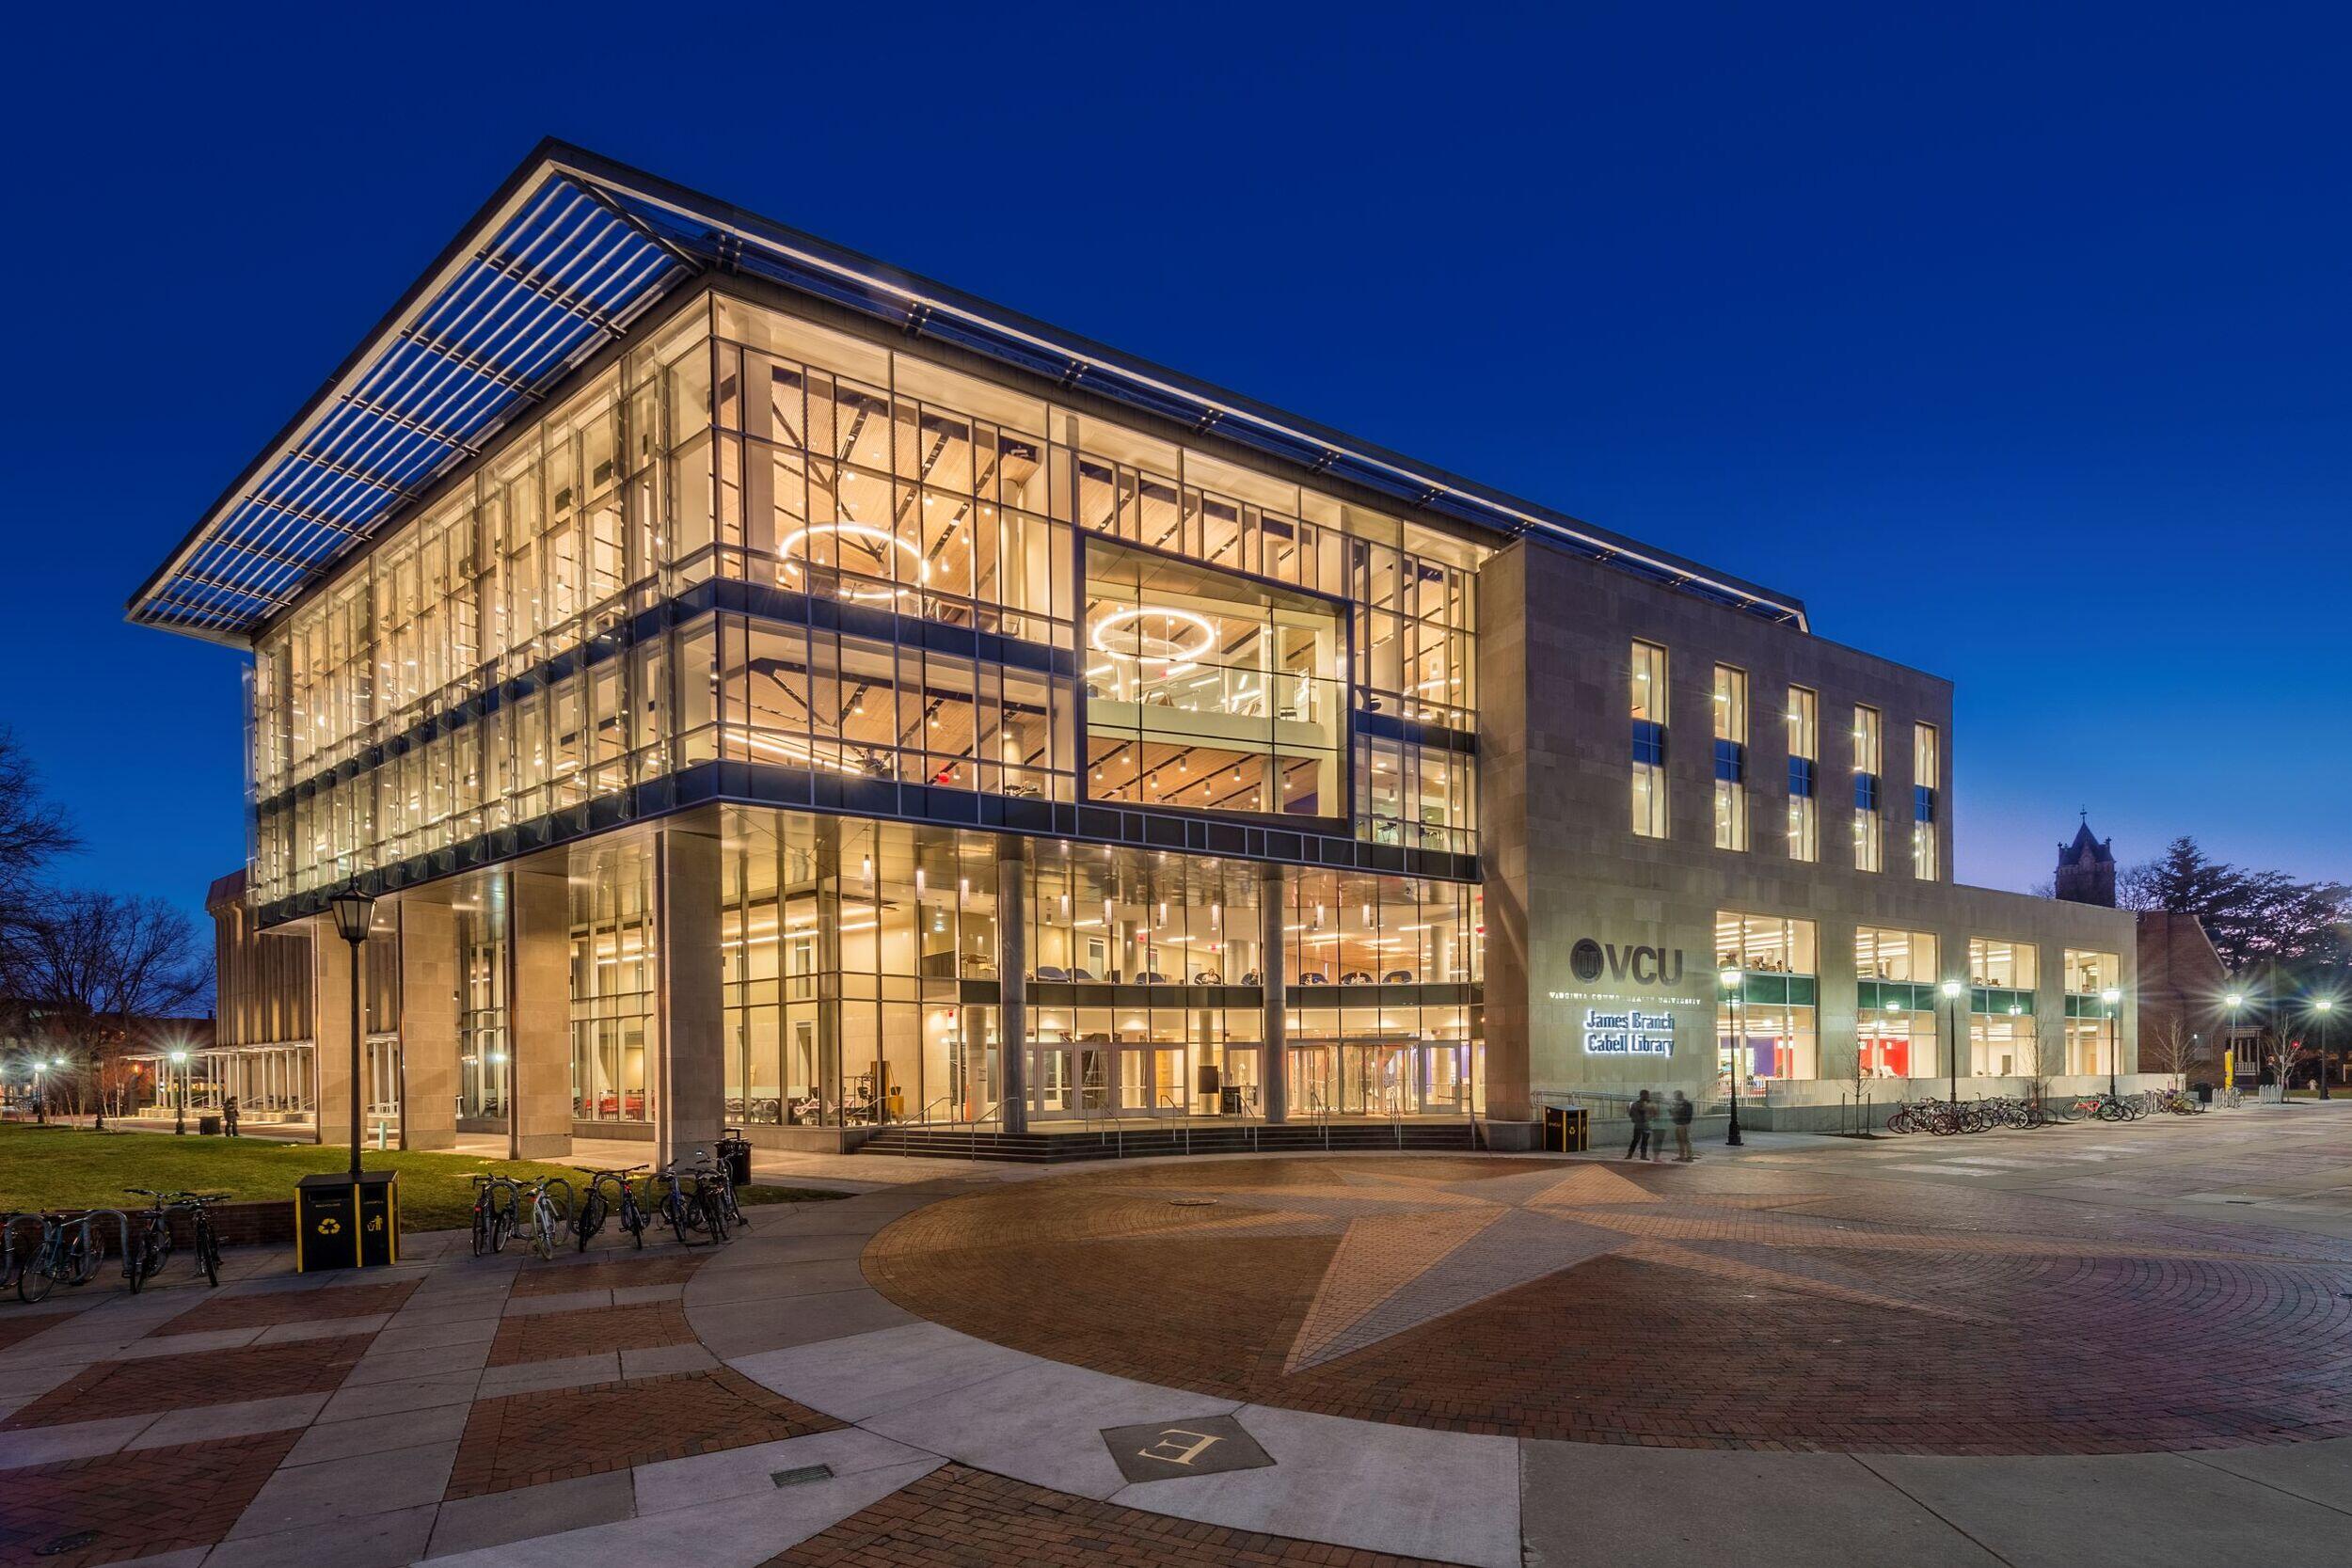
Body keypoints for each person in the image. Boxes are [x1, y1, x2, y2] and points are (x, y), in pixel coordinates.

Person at [1624, 1089, 1654, 1161]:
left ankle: (1642, 1155)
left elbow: (1653, 1113)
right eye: (1646, 1095)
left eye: (1648, 1095)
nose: (1647, 1097)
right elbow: (1632, 1114)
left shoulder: (1649, 1104)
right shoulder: (1636, 1104)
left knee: (1644, 1140)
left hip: (1646, 1124)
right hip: (1640, 1124)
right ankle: (1630, 1154)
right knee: (1636, 1139)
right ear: (1641, 1095)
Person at [1669, 1090, 1695, 1161]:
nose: (1674, 1097)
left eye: (1675, 1096)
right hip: (1678, 1124)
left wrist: (1676, 1112)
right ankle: (1681, 1155)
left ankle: (1689, 1156)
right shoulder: (1678, 1104)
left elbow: (1687, 1115)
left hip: (1684, 1124)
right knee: (1679, 1140)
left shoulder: (1687, 1104)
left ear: (1680, 1096)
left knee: (1686, 1140)